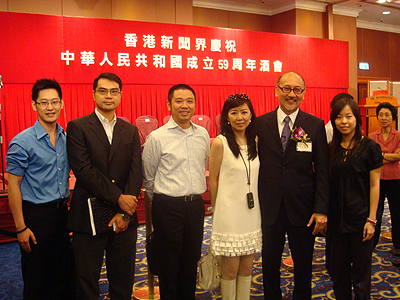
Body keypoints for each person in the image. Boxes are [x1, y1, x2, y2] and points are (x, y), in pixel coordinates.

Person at [67, 72, 143, 300]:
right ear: (93, 94)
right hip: (88, 214)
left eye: (114, 91)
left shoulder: (129, 129)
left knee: (122, 278)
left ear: (120, 95)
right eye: (103, 91)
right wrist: (119, 198)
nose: (108, 96)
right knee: (86, 279)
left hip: (124, 217)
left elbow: (135, 171)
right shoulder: (78, 127)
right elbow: (84, 170)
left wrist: (125, 212)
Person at [257, 71, 330, 300]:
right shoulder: (260, 124)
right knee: (269, 264)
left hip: (303, 209)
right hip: (269, 208)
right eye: (286, 88)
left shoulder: (315, 125)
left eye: (297, 90)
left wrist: (320, 209)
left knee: (303, 266)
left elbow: (323, 172)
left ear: (304, 94)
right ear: (276, 90)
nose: (291, 94)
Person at [6, 78, 74, 300]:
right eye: (44, 103)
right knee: (37, 280)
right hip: (35, 217)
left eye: (54, 102)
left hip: (62, 214)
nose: (50, 107)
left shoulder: (67, 138)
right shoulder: (22, 142)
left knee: (63, 276)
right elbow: (13, 185)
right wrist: (20, 227)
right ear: (34, 105)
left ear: (62, 104)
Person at [142, 84, 210, 300]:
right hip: (167, 206)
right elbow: (148, 177)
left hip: (196, 206)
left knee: (191, 261)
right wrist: (164, 199)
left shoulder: (203, 134)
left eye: (189, 101)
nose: (185, 106)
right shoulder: (157, 137)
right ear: (169, 104)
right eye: (179, 101)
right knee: (169, 265)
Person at [328, 96, 382, 299]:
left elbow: (375, 185)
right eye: (339, 117)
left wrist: (372, 219)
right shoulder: (331, 148)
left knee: (361, 275)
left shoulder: (369, 147)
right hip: (337, 222)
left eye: (348, 116)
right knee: (339, 273)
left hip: (361, 220)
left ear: (357, 119)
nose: (344, 122)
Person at [209, 94, 261, 300]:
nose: (240, 117)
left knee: (247, 269)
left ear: (251, 115)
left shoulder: (255, 141)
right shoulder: (220, 143)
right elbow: (213, 181)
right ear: (226, 117)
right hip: (228, 215)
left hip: (251, 213)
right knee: (230, 271)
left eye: (244, 112)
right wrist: (216, 211)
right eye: (234, 112)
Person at [369, 102, 400, 260]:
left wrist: (381, 156)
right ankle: (371, 243)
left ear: (393, 117)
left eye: (387, 114)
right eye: (380, 114)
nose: (383, 118)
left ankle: (398, 245)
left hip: (396, 180)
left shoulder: (399, 135)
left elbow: (399, 156)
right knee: (376, 213)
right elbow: (371, 158)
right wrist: (391, 156)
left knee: (397, 214)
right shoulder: (372, 136)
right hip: (377, 180)